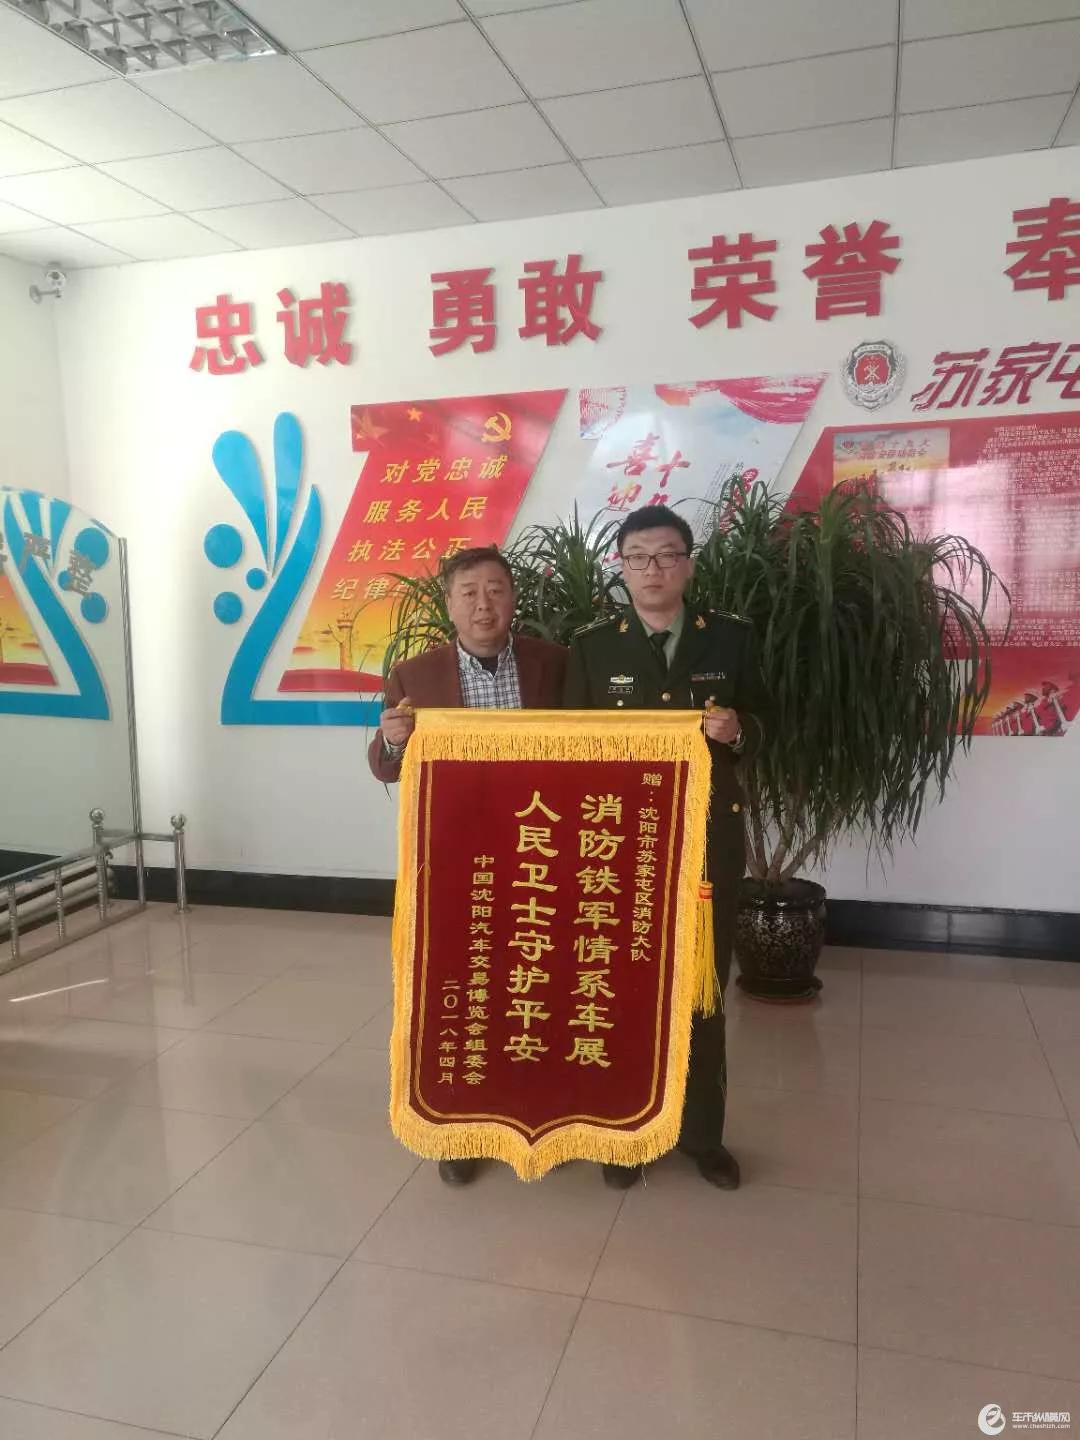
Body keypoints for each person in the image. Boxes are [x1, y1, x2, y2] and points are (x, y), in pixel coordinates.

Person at [564, 504, 768, 1192]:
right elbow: (569, 748)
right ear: (621, 568)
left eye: (668, 555)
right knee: (623, 987)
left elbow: (769, 721)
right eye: (639, 557)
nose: (654, 569)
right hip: (620, 844)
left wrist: (739, 731)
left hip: (707, 838)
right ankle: (626, 1134)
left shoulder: (730, 638)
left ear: (688, 564)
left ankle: (703, 1136)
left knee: (703, 989)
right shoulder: (592, 646)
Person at [368, 545, 567, 1184]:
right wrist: (392, 741)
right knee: (459, 991)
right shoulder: (414, 675)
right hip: (455, 863)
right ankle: (458, 1129)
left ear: (513, 599)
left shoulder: (554, 664)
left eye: (496, 590)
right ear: (449, 604)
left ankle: (537, 1108)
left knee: (533, 983)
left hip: (539, 855)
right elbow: (384, 764)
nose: (484, 605)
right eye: (470, 593)